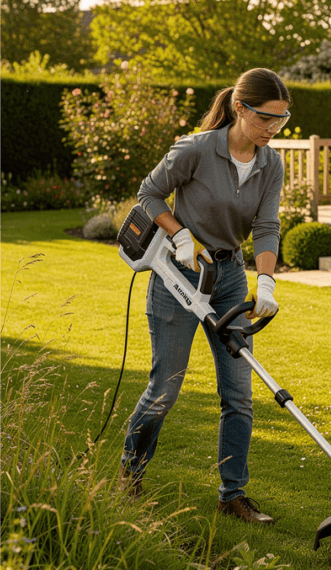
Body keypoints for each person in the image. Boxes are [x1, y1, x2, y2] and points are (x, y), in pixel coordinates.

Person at [119, 68, 290, 524]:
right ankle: (130, 475)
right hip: (180, 273)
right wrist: (179, 234)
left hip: (228, 277)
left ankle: (232, 494)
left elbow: (267, 226)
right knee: (164, 389)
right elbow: (149, 194)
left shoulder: (271, 164)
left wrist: (266, 281)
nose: (273, 128)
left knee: (239, 395)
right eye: (266, 118)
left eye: (281, 120)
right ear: (239, 108)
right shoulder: (195, 149)